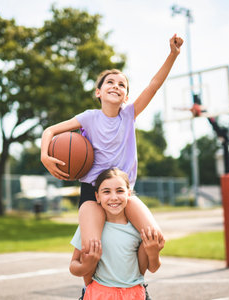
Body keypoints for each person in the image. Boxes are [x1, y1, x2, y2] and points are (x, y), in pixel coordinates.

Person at [41, 33, 183, 272]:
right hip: (91, 190)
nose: (116, 86)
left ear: (126, 97)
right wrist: (45, 155)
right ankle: (90, 292)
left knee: (154, 236)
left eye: (122, 85)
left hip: (123, 190)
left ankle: (138, 281)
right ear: (98, 92)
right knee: (91, 249)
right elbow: (50, 130)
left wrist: (173, 54)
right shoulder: (88, 118)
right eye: (110, 82)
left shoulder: (128, 115)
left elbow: (154, 85)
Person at [69, 168, 165, 299]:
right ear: (97, 197)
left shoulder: (138, 229)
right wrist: (86, 266)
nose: (114, 197)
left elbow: (153, 268)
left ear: (129, 194)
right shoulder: (89, 227)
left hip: (134, 294)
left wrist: (154, 252)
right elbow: (73, 265)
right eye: (106, 192)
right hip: (100, 294)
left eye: (120, 191)